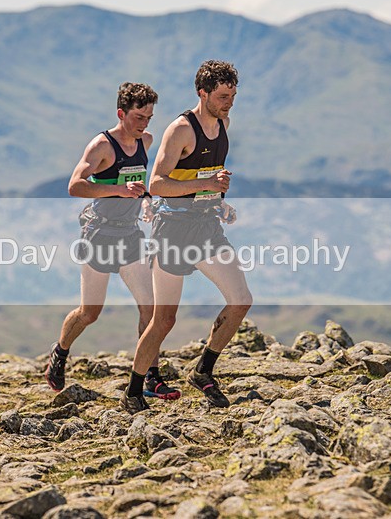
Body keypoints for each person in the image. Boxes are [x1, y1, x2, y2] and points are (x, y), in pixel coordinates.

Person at [120, 60, 252, 413]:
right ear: (203, 93)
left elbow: (208, 172)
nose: (229, 102)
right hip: (173, 230)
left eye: (234, 95)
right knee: (164, 319)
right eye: (223, 96)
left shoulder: (224, 122)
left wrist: (218, 198)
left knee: (240, 300)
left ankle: (203, 370)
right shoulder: (181, 129)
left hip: (207, 225)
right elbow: (157, 183)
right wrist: (205, 186)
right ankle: (134, 389)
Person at [45, 82, 181, 402]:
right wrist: (117, 191)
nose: (144, 124)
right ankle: (61, 352)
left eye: (149, 117)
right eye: (138, 117)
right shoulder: (102, 146)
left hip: (130, 235)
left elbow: (140, 185)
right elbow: (75, 186)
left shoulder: (146, 142)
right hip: (99, 235)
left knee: (152, 308)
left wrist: (146, 201)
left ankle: (150, 375)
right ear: (121, 114)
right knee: (90, 313)